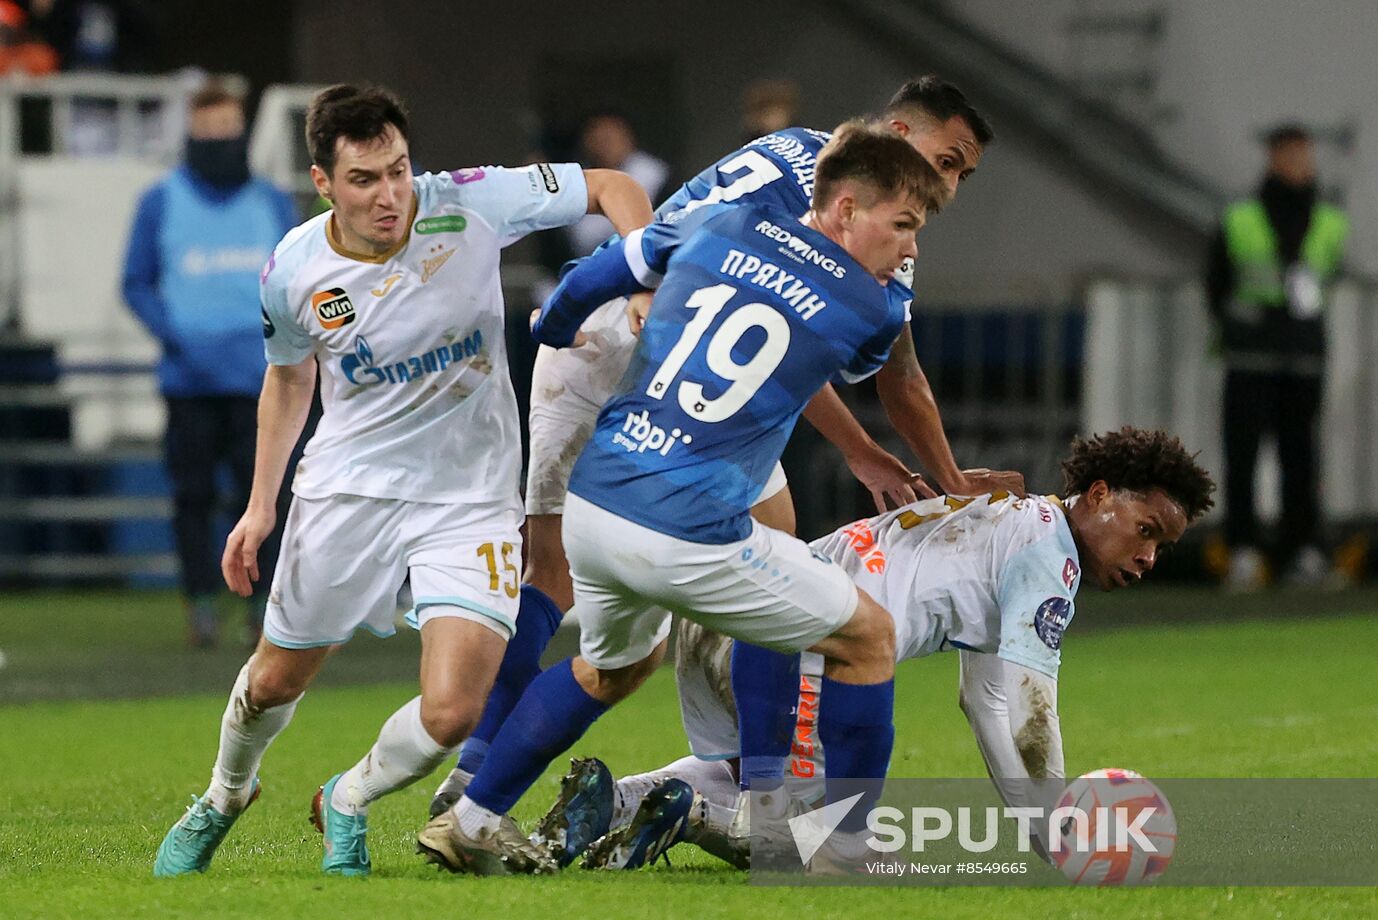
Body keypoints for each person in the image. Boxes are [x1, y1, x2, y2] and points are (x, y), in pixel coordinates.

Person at [429, 74, 1023, 818]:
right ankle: (764, 792)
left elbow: (708, 286)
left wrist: (561, 321)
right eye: (950, 159)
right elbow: (869, 364)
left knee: (553, 577)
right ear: (899, 138)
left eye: (964, 174)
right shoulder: (871, 214)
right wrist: (928, 470)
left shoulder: (787, 154)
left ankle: (471, 781)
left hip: (606, 324)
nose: (953, 185)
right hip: (684, 356)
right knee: (778, 562)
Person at [151, 82, 652, 877]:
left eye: (398, 170)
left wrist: (645, 271)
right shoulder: (292, 270)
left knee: (454, 712)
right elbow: (289, 382)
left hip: (472, 500)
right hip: (347, 493)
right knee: (276, 680)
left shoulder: (471, 202)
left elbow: (610, 186)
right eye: (364, 180)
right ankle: (224, 794)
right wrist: (257, 507)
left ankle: (346, 798)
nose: (391, 196)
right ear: (323, 184)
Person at [529, 427, 1215, 870]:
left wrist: (1038, 826)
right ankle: (694, 818)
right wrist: (1062, 825)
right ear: (1097, 495)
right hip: (797, 642)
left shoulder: (1011, 523)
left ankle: (614, 802)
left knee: (750, 775)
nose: (1149, 556)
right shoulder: (1050, 555)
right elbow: (1033, 712)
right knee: (826, 849)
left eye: (1162, 545)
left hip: (729, 622)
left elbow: (985, 698)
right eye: (1146, 529)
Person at [122, 82, 299, 647]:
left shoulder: (273, 202)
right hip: (189, 383)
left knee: (264, 497)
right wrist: (177, 338)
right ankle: (200, 602)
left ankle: (260, 608)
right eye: (210, 130)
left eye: (230, 129)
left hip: (263, 382)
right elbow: (136, 283)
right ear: (191, 134)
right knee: (192, 499)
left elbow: (301, 279)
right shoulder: (160, 202)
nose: (221, 140)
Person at [1205, 123, 1348, 591]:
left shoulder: (1330, 219)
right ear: (1272, 159)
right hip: (1250, 357)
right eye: (1289, 154)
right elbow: (1217, 283)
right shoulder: (1241, 216)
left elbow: (1329, 278)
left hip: (1303, 358)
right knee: (1243, 458)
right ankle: (1244, 550)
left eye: (1303, 155)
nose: (1298, 164)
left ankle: (1301, 552)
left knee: (1302, 458)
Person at [567, 112, 669, 257]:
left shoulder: (655, 174)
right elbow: (582, 237)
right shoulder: (577, 179)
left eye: (610, 138)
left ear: (628, 137)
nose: (605, 146)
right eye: (598, 139)